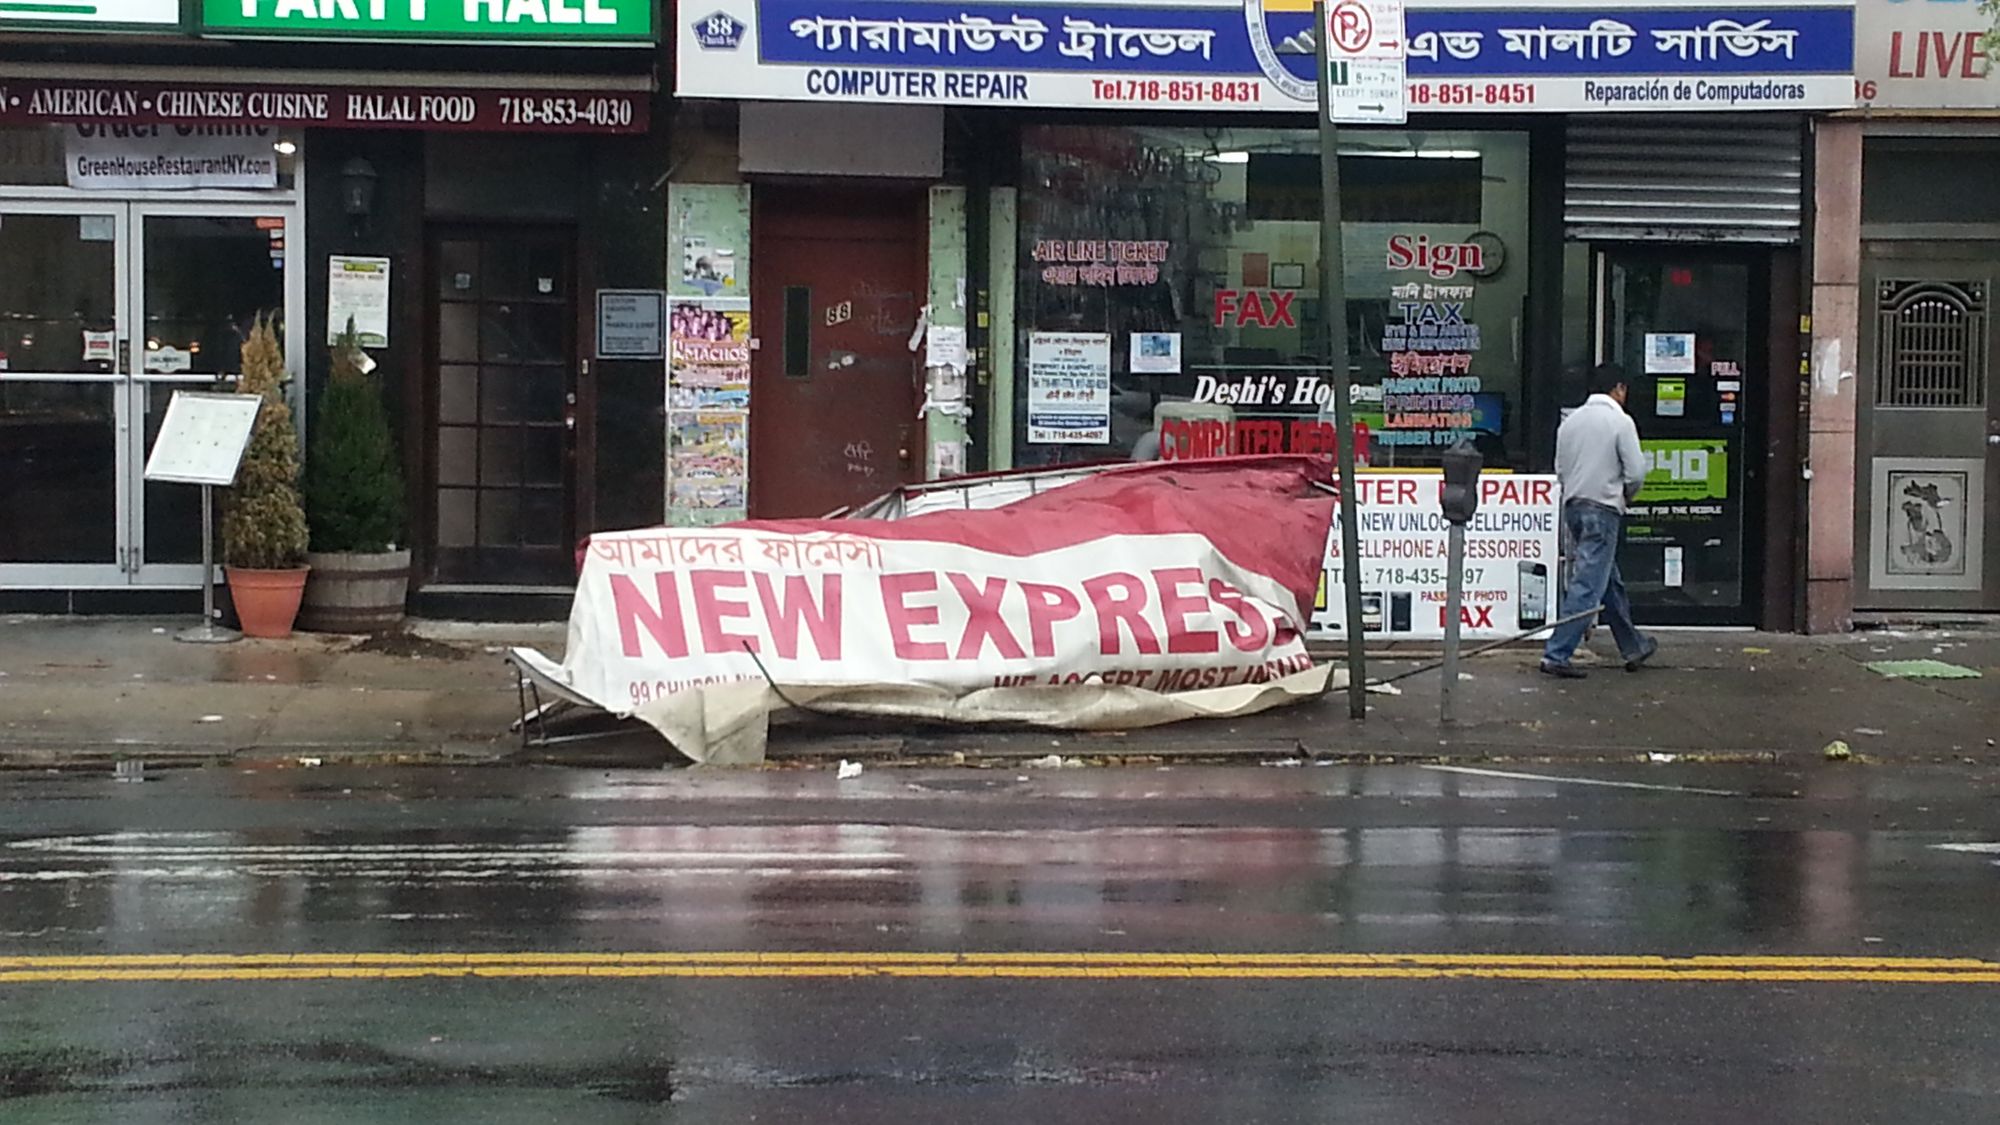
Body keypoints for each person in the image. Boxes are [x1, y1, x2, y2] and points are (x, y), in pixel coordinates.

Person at [1540, 363, 1658, 678]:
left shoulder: (1570, 423)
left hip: (1574, 507)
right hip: (1603, 508)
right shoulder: (1620, 422)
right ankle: (1557, 653)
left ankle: (1632, 644)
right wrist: (1627, 495)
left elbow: (1560, 470)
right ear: (1618, 388)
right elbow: (1636, 471)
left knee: (1607, 579)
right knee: (1588, 584)